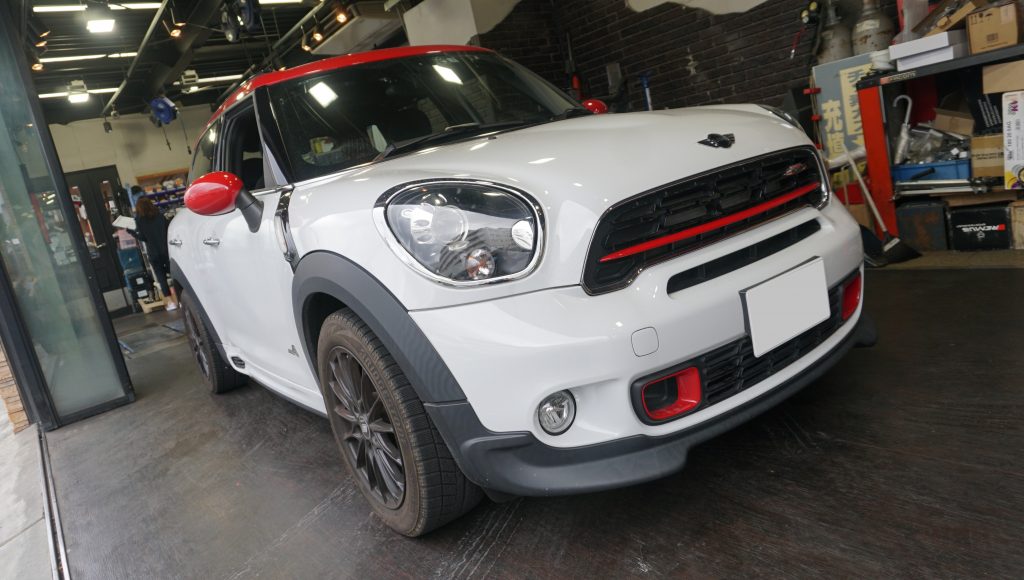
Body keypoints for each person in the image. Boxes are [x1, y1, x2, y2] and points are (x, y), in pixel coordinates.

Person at [131, 196, 178, 311]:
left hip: (153, 252)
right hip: (166, 250)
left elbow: (143, 237)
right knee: (174, 274)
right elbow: (168, 229)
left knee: (161, 278)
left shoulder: (139, 220)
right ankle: (179, 299)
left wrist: (131, 232)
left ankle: (170, 302)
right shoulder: (160, 216)